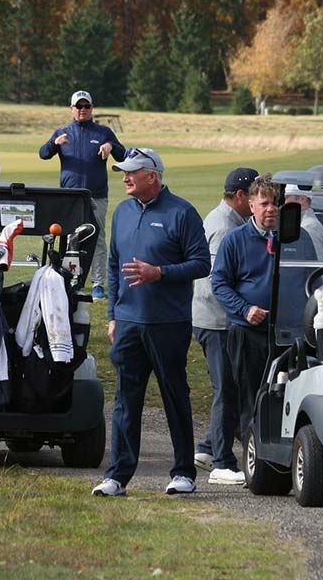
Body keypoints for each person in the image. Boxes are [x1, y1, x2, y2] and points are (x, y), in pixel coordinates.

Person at [92, 148, 209, 497]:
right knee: (126, 401)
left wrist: (160, 273)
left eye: (132, 172)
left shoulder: (182, 213)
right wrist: (113, 314)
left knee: (175, 397)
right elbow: (114, 266)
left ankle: (184, 473)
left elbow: (202, 264)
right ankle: (117, 476)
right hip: (128, 323)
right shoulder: (124, 212)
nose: (125, 178)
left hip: (168, 323)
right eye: (123, 172)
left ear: (152, 176)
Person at [213, 175, 316, 449]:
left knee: (289, 397)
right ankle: (255, 460)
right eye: (265, 203)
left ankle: (286, 454)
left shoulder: (299, 238)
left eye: (276, 204)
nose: (271, 209)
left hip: (290, 334)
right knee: (251, 399)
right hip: (249, 333)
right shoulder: (234, 240)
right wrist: (245, 309)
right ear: (252, 205)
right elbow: (219, 284)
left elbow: (312, 278)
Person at [191, 167, 255, 484]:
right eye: (254, 195)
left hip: (218, 319)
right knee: (225, 391)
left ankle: (206, 447)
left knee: (230, 387)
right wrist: (246, 308)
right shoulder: (224, 227)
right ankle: (222, 462)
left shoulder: (233, 221)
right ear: (240, 196)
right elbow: (216, 284)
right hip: (216, 321)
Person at [39, 90, 126, 301]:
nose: (82, 110)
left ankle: (97, 283)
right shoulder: (63, 132)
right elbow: (43, 154)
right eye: (79, 106)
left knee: (97, 239)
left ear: (92, 108)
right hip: (70, 197)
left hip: (95, 195)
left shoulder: (103, 132)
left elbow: (123, 155)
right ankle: (74, 280)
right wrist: (54, 144)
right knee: (72, 239)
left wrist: (111, 146)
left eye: (86, 106)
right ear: (72, 109)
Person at [284, 183, 323, 261]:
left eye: (287, 197)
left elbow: (317, 264)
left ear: (302, 199)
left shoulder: (309, 227)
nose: (284, 202)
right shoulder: (305, 224)